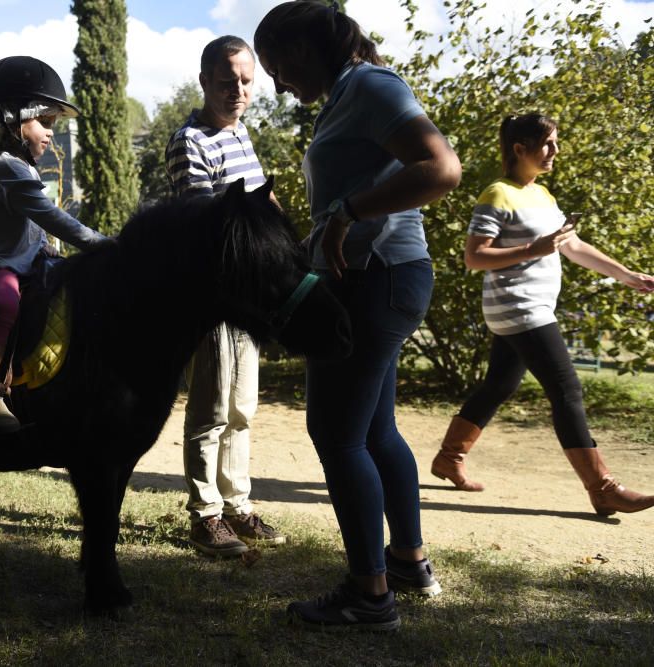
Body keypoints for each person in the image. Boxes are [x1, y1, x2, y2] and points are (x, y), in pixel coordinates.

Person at [254, 2, 462, 631]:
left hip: (377, 281)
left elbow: (441, 168)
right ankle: (405, 562)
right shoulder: (349, 94)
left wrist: (347, 213)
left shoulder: (371, 85)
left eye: (275, 67)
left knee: (336, 434)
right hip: (380, 279)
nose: (277, 84)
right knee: (376, 432)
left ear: (298, 47)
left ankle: (369, 596)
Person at [432, 113, 654, 514]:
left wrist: (626, 275)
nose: (555, 150)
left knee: (499, 384)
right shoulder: (497, 193)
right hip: (520, 308)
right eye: (548, 143)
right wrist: (535, 249)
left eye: (555, 142)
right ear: (520, 149)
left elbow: (573, 247)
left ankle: (449, 459)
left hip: (527, 310)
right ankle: (602, 487)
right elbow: (475, 256)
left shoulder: (544, 195)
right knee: (567, 390)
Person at [164, 35, 284, 557]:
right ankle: (204, 515)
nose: (238, 90)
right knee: (211, 408)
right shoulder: (188, 140)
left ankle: (238, 505)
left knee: (243, 409)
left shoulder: (242, 136)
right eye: (226, 80)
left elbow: (263, 205)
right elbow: (206, 223)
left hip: (249, 295)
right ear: (204, 81)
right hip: (212, 295)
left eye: (246, 81)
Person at [0, 55, 108, 433]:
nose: (49, 133)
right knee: (7, 302)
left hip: (27, 262)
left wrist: (47, 250)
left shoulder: (26, 168)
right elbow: (50, 217)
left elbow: (35, 227)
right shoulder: (6, 168)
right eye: (43, 122)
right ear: (12, 119)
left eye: (53, 124)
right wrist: (101, 243)